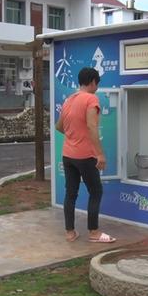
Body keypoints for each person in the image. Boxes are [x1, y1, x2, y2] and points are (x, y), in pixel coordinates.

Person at [55, 67, 116, 243]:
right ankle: (94, 232)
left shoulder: (69, 99)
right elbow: (92, 127)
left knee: (71, 193)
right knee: (96, 191)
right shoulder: (91, 99)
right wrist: (100, 155)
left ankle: (70, 233)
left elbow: (59, 126)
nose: (97, 87)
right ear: (92, 81)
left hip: (68, 155)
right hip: (85, 156)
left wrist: (74, 135)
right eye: (97, 83)